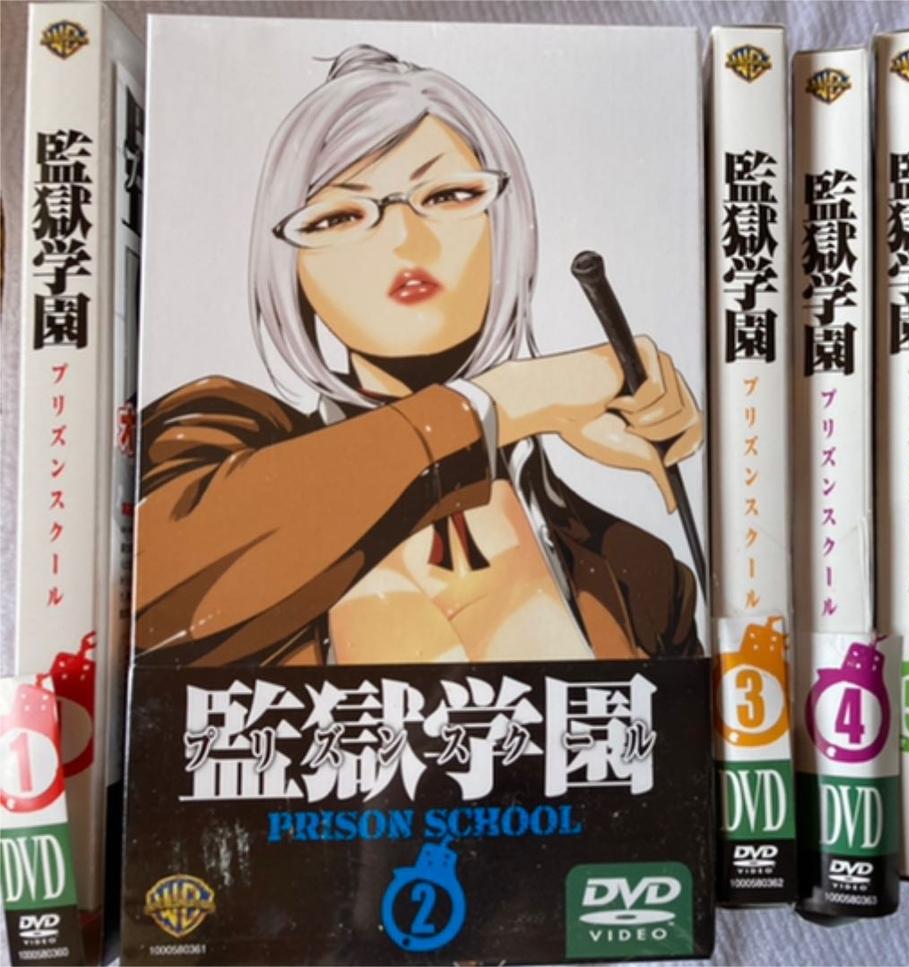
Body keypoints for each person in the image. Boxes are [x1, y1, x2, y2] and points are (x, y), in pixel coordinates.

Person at [134, 44, 704, 668]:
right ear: (291, 267)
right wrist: (509, 401)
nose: (406, 240)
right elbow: (148, 589)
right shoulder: (215, 443)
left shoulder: (638, 572)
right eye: (338, 217)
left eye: (450, 196)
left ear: (507, 225)